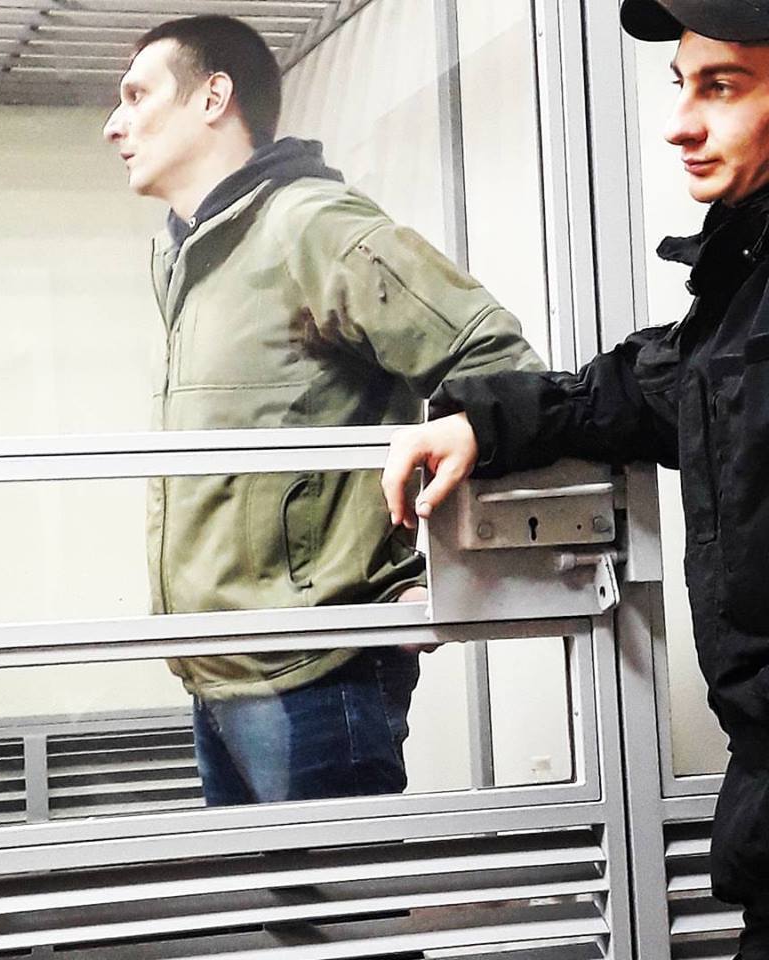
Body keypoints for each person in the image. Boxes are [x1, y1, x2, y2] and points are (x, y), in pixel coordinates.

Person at [381, 0, 769, 954]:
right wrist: (486, 421)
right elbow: (654, 387)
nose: (680, 123)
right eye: (682, 86)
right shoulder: (747, 280)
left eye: (723, 87)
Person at [103, 15, 541, 806]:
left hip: (319, 673)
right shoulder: (185, 254)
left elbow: (497, 364)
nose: (114, 124)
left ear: (213, 98)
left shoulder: (312, 225)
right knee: (271, 891)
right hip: (217, 674)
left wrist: (447, 577)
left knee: (340, 895)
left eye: (137, 96)